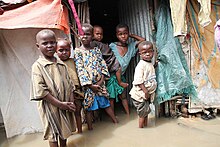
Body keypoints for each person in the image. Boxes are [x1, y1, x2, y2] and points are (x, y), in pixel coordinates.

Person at [30, 29, 76, 147]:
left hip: (65, 104)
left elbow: (70, 84)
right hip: (50, 107)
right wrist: (60, 104)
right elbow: (41, 91)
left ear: (56, 43)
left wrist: (70, 102)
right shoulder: (38, 66)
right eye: (45, 43)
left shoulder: (61, 63)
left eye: (52, 42)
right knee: (53, 134)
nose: (49, 46)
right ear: (38, 46)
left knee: (64, 132)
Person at [74, 23, 118, 130]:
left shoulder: (96, 50)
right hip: (88, 87)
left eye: (88, 34)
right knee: (89, 108)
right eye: (82, 34)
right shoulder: (78, 52)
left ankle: (116, 122)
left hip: (100, 84)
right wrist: (90, 85)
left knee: (106, 104)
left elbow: (103, 65)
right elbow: (80, 70)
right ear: (78, 36)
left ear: (92, 36)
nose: (84, 36)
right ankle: (90, 129)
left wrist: (101, 80)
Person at [106, 23, 146, 115]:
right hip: (111, 76)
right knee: (111, 98)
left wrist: (132, 35)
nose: (123, 36)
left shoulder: (131, 47)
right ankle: (113, 118)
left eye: (125, 33)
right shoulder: (112, 46)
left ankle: (128, 115)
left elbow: (143, 40)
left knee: (123, 96)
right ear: (116, 35)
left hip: (121, 76)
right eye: (120, 34)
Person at [56, 38, 84, 133]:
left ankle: (80, 131)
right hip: (64, 94)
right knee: (66, 115)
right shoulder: (56, 63)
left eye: (66, 50)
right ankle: (69, 132)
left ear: (70, 50)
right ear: (56, 50)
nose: (64, 52)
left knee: (77, 112)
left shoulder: (75, 61)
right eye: (61, 50)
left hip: (77, 92)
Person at [129, 41, 157, 128]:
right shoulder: (140, 66)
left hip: (146, 95)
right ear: (140, 54)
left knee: (146, 112)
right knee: (142, 114)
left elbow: (149, 72)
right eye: (145, 52)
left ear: (153, 51)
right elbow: (138, 81)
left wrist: (155, 65)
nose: (148, 54)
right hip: (140, 95)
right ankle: (141, 129)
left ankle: (146, 125)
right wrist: (145, 92)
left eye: (150, 51)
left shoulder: (149, 63)